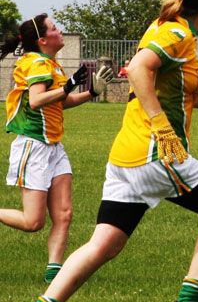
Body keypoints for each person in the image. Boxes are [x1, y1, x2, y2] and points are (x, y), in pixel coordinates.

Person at [17, 0, 198, 302]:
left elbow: (154, 85)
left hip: (128, 154)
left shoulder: (163, 26)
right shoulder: (178, 33)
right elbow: (138, 71)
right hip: (156, 154)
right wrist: (162, 126)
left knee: (105, 243)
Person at [0, 14, 114, 283]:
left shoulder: (52, 65)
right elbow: (38, 100)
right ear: (42, 40)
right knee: (33, 222)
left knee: (64, 214)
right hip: (33, 146)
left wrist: (91, 93)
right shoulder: (37, 63)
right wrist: (70, 85)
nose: (60, 30)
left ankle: (54, 272)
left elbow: (60, 103)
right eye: (54, 28)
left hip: (53, 146)